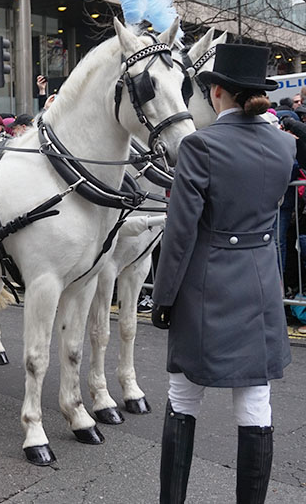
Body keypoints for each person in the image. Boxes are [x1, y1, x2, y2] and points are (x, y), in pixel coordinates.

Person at [151, 44, 295, 504]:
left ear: (217, 93)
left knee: (183, 396)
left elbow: (180, 234)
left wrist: (163, 299)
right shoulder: (284, 144)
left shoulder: (200, 145)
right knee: (255, 403)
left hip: (204, 287)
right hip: (260, 286)